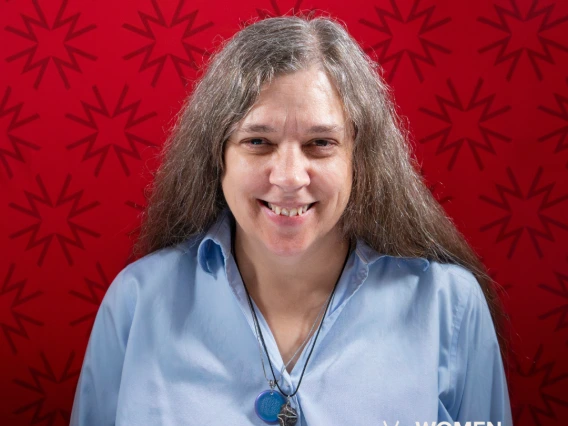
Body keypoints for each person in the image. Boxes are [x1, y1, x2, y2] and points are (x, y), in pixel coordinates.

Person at [70, 15, 513, 426]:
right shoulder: (136, 301)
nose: (287, 177)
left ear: (361, 157)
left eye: (320, 143)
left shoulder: (450, 307)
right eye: (257, 141)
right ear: (216, 157)